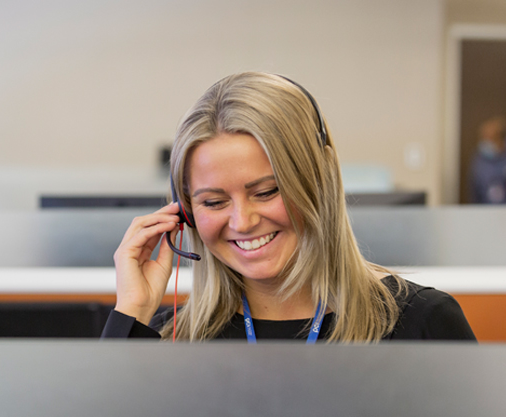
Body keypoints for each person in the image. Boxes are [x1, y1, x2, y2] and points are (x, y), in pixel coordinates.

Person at [102, 72, 476, 342]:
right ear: (185, 213)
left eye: (266, 192)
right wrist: (133, 310)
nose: (243, 221)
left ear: (319, 183)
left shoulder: (420, 323)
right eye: (214, 202)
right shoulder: (176, 337)